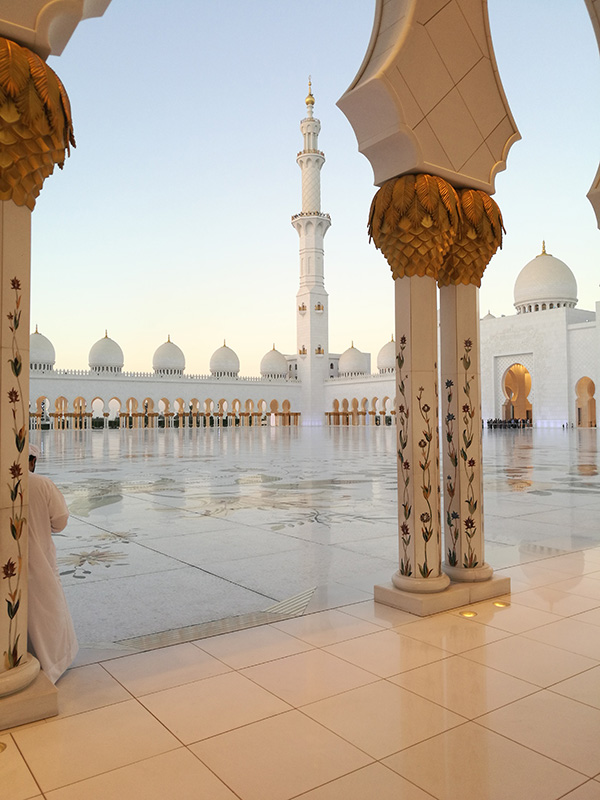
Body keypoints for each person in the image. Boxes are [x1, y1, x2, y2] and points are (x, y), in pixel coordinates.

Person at [27, 443, 78, 683]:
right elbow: (60, 521)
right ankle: (53, 663)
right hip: (41, 561)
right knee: (47, 608)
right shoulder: (41, 484)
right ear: (33, 461)